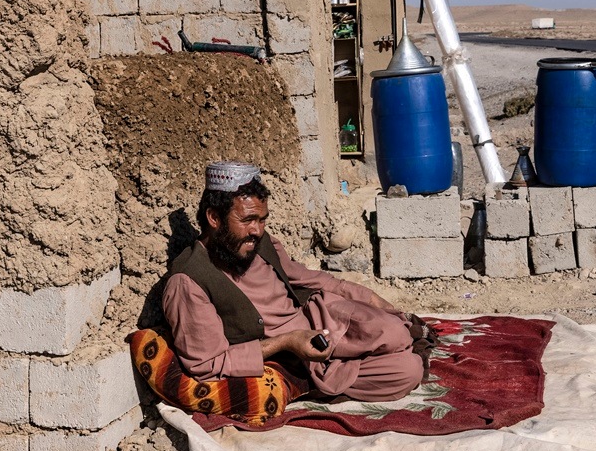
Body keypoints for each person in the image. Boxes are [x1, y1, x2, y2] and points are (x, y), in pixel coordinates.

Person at [161, 161, 428, 402]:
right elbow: (207, 363)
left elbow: (309, 278)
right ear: (214, 218)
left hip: (318, 318)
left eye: (262, 220)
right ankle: (319, 381)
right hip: (294, 355)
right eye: (247, 220)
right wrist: (288, 342)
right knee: (408, 371)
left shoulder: (258, 243)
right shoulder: (189, 282)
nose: (257, 230)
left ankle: (357, 356)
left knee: (397, 332)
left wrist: (367, 297)